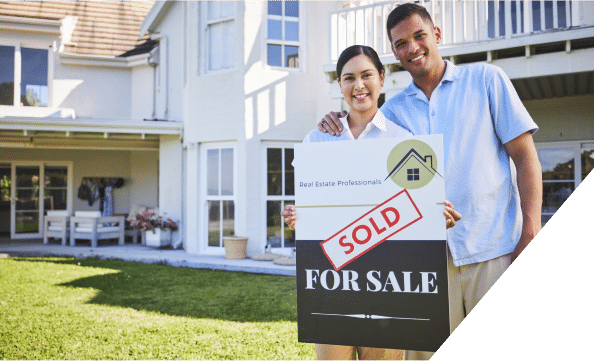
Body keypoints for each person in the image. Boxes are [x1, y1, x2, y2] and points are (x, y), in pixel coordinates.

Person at [316, 3, 543, 360]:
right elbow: (374, 185)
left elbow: (526, 158)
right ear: (394, 51)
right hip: (428, 263)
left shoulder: (486, 80)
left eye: (419, 35)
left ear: (436, 34)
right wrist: (336, 119)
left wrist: (530, 232)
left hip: (493, 248)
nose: (412, 47)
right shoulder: (391, 113)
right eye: (401, 42)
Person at [284, 44, 462, 361]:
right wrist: (298, 216)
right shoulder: (318, 140)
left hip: (388, 286)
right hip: (332, 285)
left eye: (367, 75)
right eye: (349, 78)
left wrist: (435, 213)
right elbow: (312, 208)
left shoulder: (405, 142)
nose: (359, 85)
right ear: (339, 84)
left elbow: (417, 207)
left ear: (381, 77)